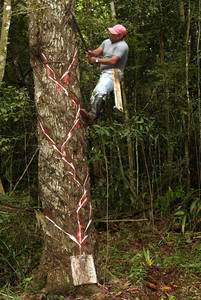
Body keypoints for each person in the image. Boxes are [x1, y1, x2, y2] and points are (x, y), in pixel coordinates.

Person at [80, 24, 129, 125]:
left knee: (101, 89)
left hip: (114, 73)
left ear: (120, 36)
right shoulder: (106, 42)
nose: (110, 34)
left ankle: (92, 115)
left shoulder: (122, 46)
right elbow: (97, 52)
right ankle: (91, 115)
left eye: (113, 34)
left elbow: (113, 61)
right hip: (105, 74)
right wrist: (91, 53)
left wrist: (96, 60)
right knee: (94, 95)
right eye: (110, 32)